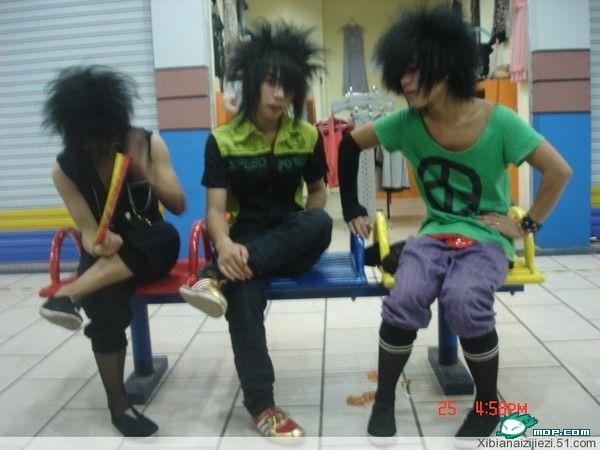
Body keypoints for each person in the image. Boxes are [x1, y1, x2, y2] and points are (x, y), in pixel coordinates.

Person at [338, 5, 572, 440]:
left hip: (485, 238)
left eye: (415, 70)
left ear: (446, 67)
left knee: (464, 300)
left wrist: (526, 226)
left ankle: (488, 405)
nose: (406, 82)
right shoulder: (406, 123)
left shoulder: (499, 122)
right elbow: (349, 145)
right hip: (434, 234)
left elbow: (559, 171)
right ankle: (385, 399)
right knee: (405, 296)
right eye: (402, 72)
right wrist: (353, 207)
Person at [178, 21, 331, 438]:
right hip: (243, 242)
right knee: (243, 297)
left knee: (320, 222)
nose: (280, 94)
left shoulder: (306, 135)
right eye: (271, 83)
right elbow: (214, 210)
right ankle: (263, 407)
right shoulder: (222, 140)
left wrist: (302, 226)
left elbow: (318, 192)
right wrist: (224, 244)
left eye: (288, 87)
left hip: (292, 237)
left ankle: (215, 275)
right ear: (253, 84)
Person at [40, 66, 186, 437]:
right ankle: (119, 408)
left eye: (108, 138)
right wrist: (98, 242)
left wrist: (145, 172)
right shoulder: (65, 168)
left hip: (150, 244)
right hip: (106, 256)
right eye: (91, 142)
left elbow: (179, 204)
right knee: (104, 306)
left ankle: (68, 294)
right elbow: (88, 231)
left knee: (165, 235)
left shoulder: (145, 143)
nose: (102, 147)